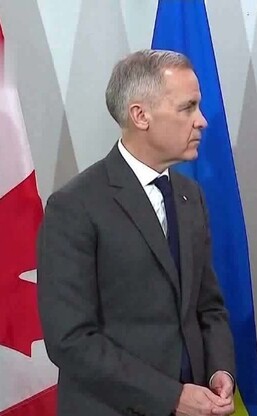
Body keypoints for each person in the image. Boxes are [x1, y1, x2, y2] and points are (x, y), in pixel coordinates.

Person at [37, 50, 236, 416]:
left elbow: (208, 306)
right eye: (187, 108)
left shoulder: (190, 196)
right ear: (140, 115)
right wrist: (170, 397)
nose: (202, 121)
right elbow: (70, 339)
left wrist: (219, 369)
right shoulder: (75, 206)